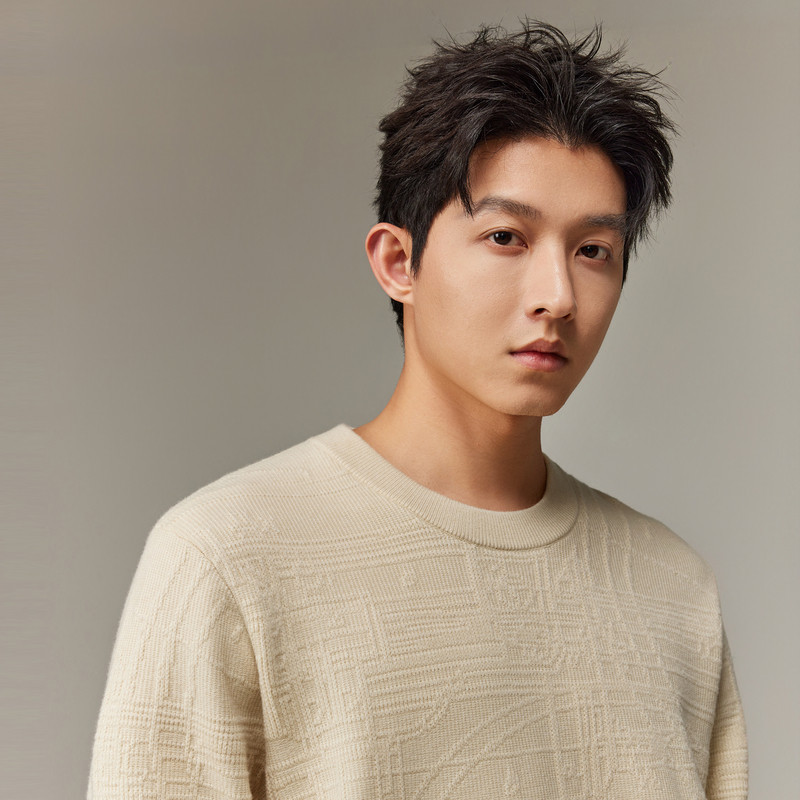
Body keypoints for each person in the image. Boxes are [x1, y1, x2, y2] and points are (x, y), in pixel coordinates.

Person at [88, 22, 748, 799]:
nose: (558, 296)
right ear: (399, 262)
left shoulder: (672, 591)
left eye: (593, 250)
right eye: (506, 236)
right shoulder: (227, 558)